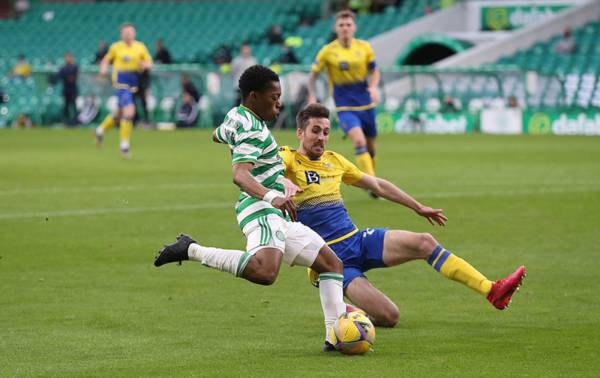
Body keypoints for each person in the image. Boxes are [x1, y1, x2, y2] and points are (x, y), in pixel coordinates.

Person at [280, 103, 527, 327]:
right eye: (315, 130)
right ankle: (343, 310)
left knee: (425, 242)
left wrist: (417, 206)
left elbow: (378, 185)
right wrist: (282, 181)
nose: (321, 137)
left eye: (326, 131)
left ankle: (492, 290)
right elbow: (263, 170)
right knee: (389, 317)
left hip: (356, 240)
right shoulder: (289, 158)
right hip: (330, 261)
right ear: (300, 133)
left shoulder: (335, 161)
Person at [153, 65, 347, 351]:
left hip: (277, 213)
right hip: (261, 208)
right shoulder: (254, 131)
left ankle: (337, 337)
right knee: (265, 272)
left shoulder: (237, 115)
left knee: (332, 265)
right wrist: (273, 196)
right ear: (254, 97)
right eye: (274, 97)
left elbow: (217, 134)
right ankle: (191, 249)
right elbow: (240, 175)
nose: (279, 102)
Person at [308, 10, 380, 197]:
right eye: (341, 25)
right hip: (344, 106)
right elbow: (313, 75)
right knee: (358, 140)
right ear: (336, 28)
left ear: (354, 27)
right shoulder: (328, 51)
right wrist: (312, 96)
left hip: (366, 105)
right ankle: (374, 185)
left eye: (348, 25)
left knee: (371, 148)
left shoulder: (364, 47)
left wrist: (373, 87)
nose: (345, 28)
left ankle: (372, 178)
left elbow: (375, 71)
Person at [95, 23, 153, 158]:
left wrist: (145, 64)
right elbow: (105, 60)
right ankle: (124, 145)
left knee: (120, 113)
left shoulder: (140, 47)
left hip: (134, 82)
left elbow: (149, 62)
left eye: (130, 32)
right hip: (120, 81)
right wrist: (103, 70)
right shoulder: (116, 47)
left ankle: (100, 130)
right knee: (130, 111)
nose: (128, 35)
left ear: (134, 33)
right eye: (125, 32)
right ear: (121, 34)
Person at [56, 52, 79, 126]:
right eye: (67, 57)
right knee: (65, 106)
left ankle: (75, 122)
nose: (68, 59)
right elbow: (59, 76)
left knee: (74, 106)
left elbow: (71, 75)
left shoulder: (74, 67)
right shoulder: (63, 68)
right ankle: (65, 122)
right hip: (66, 90)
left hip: (73, 90)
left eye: (70, 57)